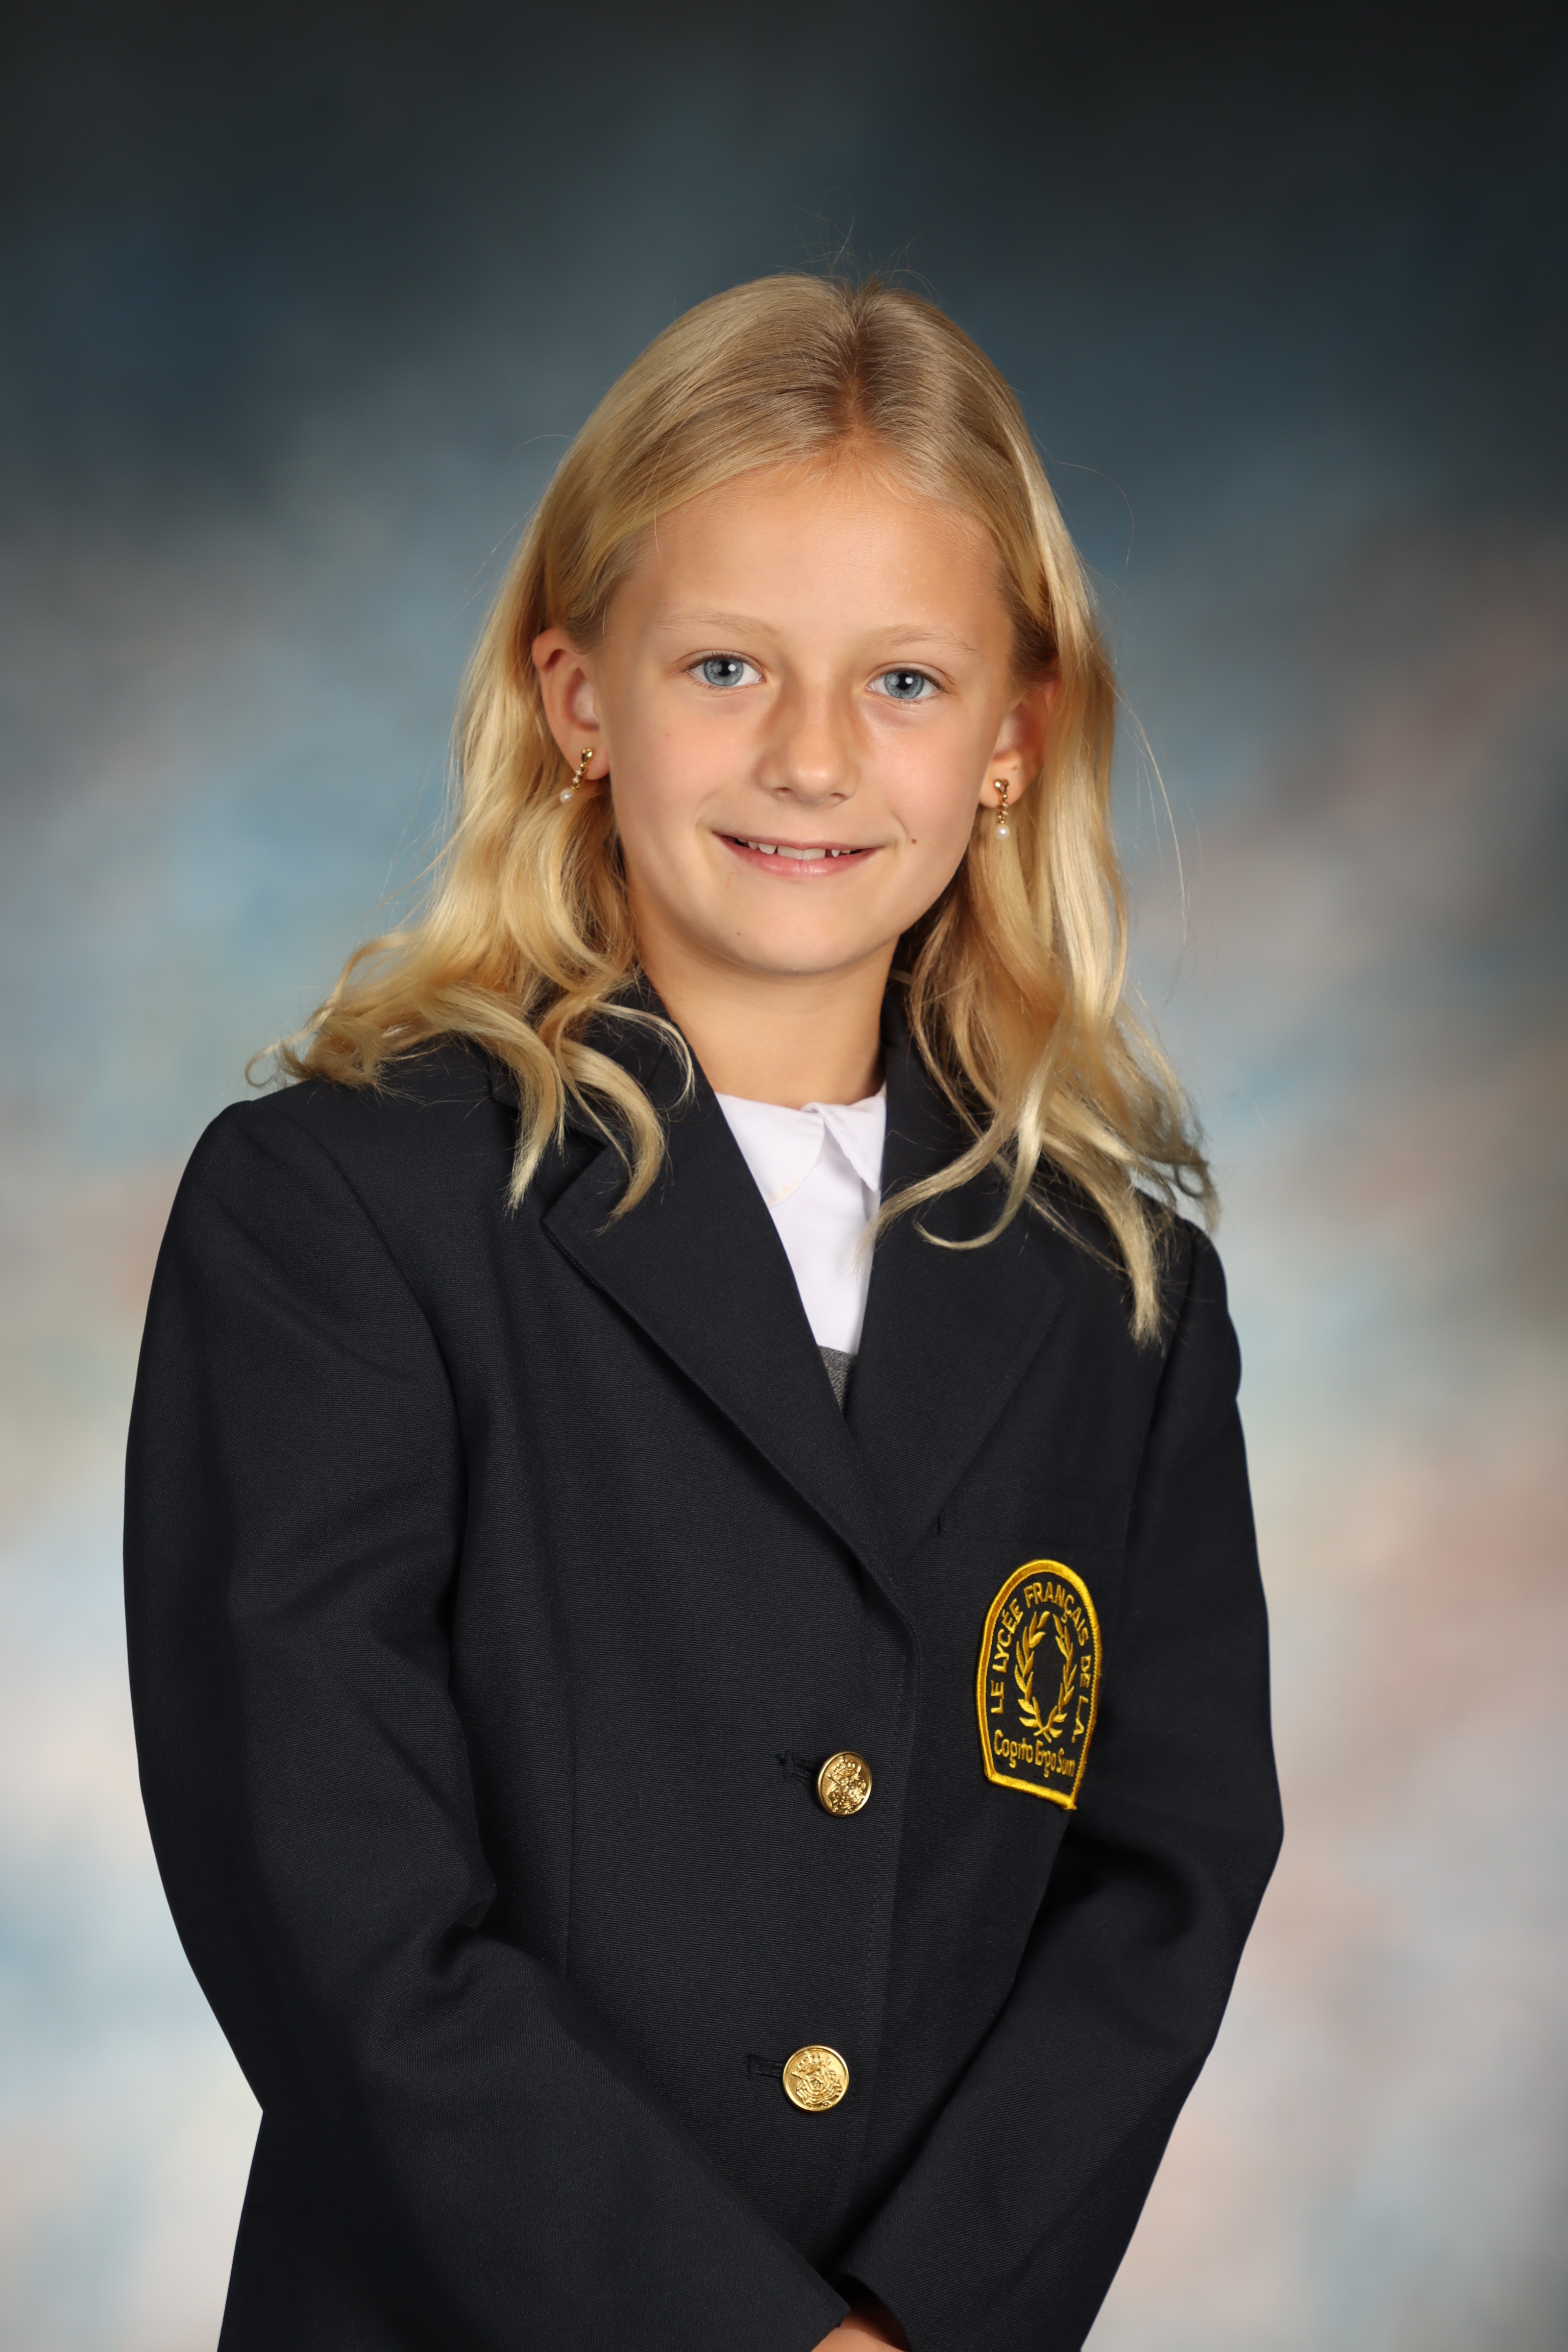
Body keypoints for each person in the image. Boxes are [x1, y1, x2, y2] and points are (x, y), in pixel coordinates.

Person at [124, 273, 1283, 2352]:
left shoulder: (1118, 1292)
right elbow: (338, 1915)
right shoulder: (339, 1215)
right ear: (579, 701)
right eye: (726, 664)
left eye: (905, 681)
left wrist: (914, 2322)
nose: (811, 759)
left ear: (1014, 740)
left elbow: (1161, 1879)